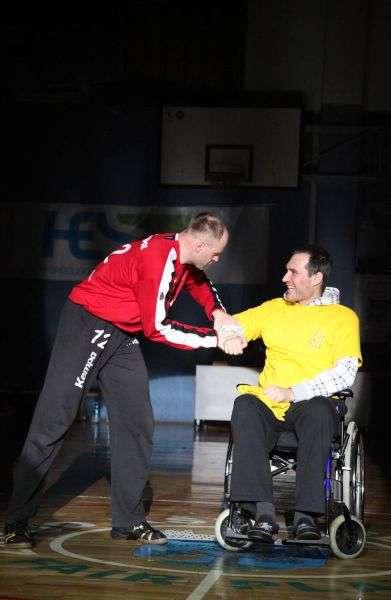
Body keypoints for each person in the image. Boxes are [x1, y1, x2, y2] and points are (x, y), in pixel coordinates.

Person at [2, 212, 246, 549]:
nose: (217, 259)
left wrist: (217, 313)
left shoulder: (181, 251)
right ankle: (16, 522)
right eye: (216, 253)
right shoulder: (157, 262)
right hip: (89, 324)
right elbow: (157, 328)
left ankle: (129, 521)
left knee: (137, 421)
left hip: (121, 335)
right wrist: (216, 338)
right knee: (54, 419)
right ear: (201, 245)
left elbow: (196, 280)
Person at [221, 245, 362, 542]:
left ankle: (306, 516)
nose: (285, 277)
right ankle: (262, 514)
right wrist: (228, 332)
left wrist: (293, 392)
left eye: (293, 272)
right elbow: (234, 324)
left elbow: (344, 373)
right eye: (286, 271)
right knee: (245, 404)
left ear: (316, 278)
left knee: (319, 409)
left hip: (312, 405)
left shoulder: (343, 318)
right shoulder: (273, 309)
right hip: (271, 405)